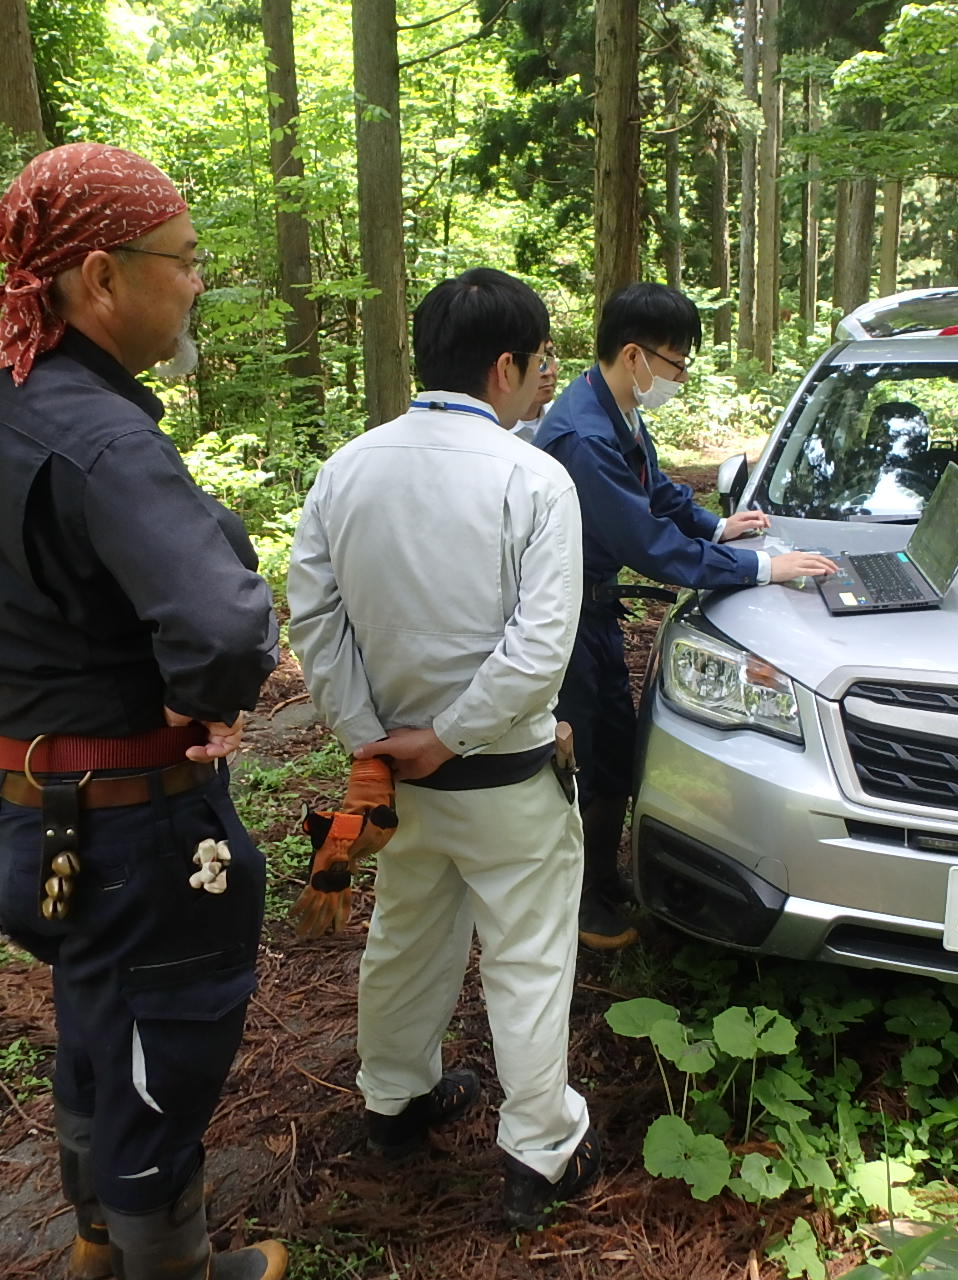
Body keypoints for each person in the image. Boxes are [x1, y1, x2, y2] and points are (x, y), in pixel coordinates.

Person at [0, 143, 286, 1280]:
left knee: (100, 1010)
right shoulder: (104, 435)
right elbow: (222, 625)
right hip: (129, 820)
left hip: (27, 798)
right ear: (100, 275)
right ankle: (164, 1267)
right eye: (183, 261)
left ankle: (98, 1238)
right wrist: (212, 702)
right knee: (164, 1033)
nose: (196, 283)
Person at [288, 268, 598, 1230]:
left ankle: (394, 1098)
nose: (546, 379)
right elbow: (540, 646)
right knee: (529, 957)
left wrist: (373, 739)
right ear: (505, 365)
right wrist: (449, 736)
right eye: (542, 361)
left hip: (396, 785)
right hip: (503, 779)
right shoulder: (533, 477)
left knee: (407, 934)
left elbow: (314, 617)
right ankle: (539, 1153)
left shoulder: (348, 469)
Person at [533, 283, 837, 948]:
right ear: (635, 355)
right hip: (565, 621)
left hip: (592, 610)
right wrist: (761, 567)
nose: (680, 377)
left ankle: (602, 880)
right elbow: (647, 544)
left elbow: (657, 490)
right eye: (676, 363)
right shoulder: (583, 434)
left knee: (612, 747)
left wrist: (717, 526)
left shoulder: (614, 409)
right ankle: (579, 902)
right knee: (583, 752)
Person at [509, 339, 558, 444]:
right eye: (538, 360)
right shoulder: (491, 429)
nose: (548, 372)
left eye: (550, 356)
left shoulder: (563, 418)